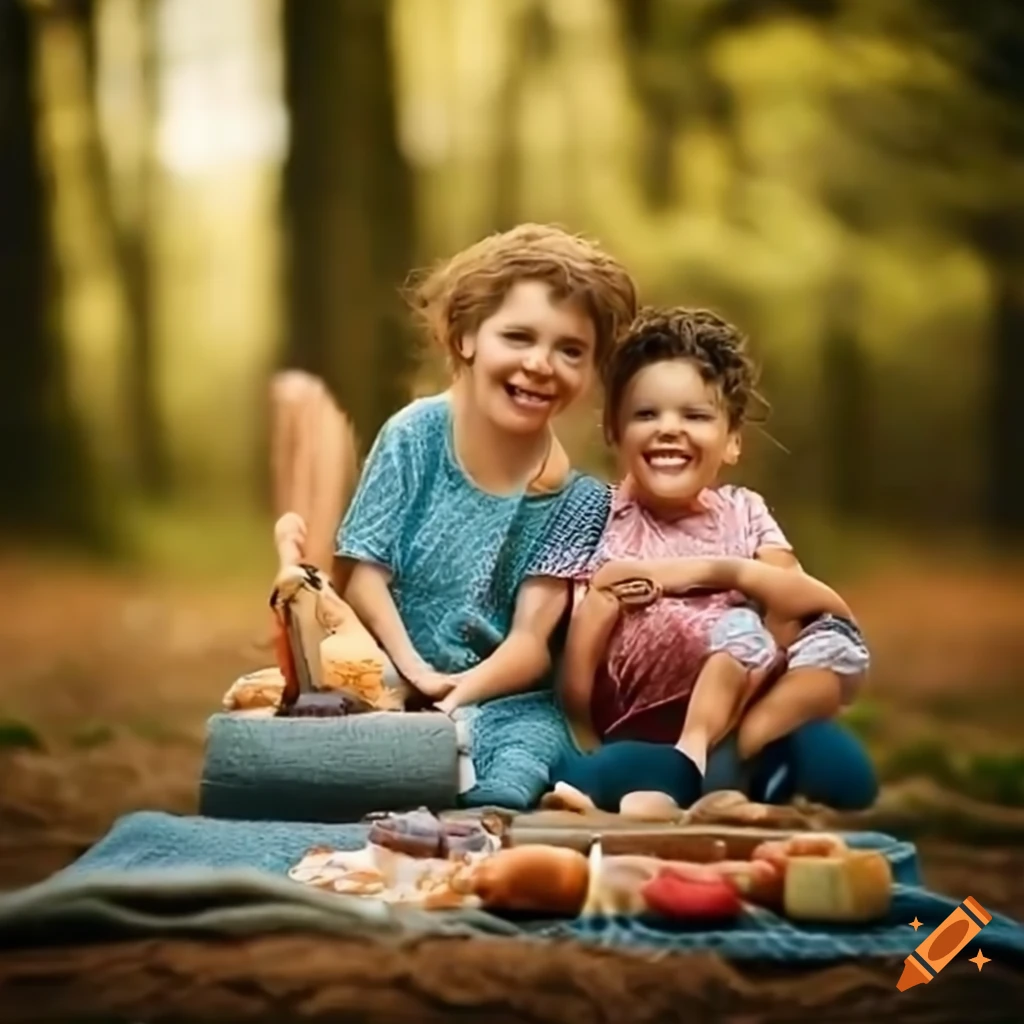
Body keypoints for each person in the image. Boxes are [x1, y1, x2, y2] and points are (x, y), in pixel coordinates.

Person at [274, 223, 636, 717]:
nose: (540, 364)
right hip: (383, 676)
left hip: (501, 703)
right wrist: (416, 674)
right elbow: (363, 577)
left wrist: (455, 697)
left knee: (512, 755)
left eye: (570, 350)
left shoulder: (579, 502)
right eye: (517, 337)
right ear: (466, 337)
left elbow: (530, 645)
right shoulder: (415, 436)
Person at [541, 307, 874, 813]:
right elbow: (578, 658)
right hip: (647, 734)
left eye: (694, 416)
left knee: (845, 772)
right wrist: (583, 725)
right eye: (646, 415)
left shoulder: (743, 511)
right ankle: (700, 789)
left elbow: (811, 605)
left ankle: (735, 777)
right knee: (603, 772)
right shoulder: (599, 517)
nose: (668, 430)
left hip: (745, 718)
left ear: (733, 440)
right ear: (614, 431)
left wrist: (720, 570)